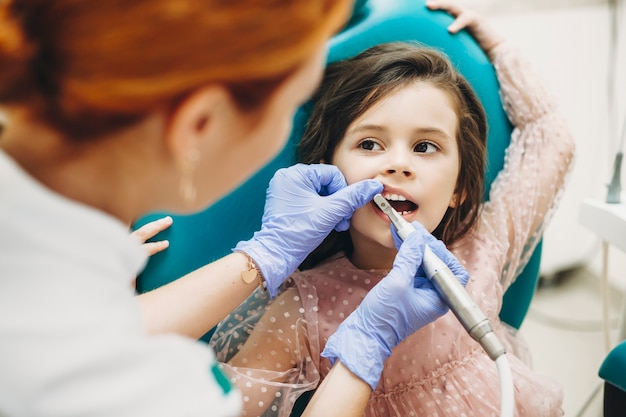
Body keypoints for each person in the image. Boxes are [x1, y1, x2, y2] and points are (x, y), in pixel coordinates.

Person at [0, 1, 466, 416]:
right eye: (289, 109)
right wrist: (367, 346)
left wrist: (266, 253)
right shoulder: (142, 389)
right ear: (199, 125)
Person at [210, 1, 576, 416]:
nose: (398, 164)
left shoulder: (482, 249)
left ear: (459, 188)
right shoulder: (303, 310)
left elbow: (552, 139)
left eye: (425, 147)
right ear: (327, 174)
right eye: (370, 144)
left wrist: (498, 47)